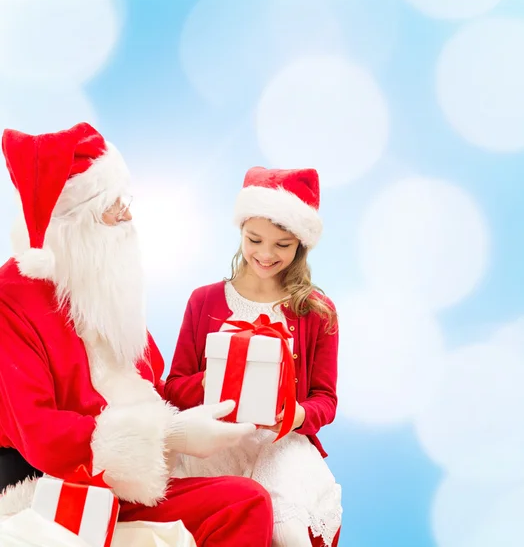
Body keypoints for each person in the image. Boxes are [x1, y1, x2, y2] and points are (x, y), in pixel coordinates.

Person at [0, 123, 274, 546]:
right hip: (57, 486)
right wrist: (169, 435)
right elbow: (41, 434)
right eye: (114, 206)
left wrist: (230, 381)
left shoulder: (101, 283)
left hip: (128, 481)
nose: (128, 216)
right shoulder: (12, 300)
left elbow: (152, 388)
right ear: (75, 223)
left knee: (250, 498)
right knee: (244, 502)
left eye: (125, 201)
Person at [165, 167, 343, 547]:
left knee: (285, 528)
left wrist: (296, 414)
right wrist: (224, 377)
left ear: (300, 245)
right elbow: (175, 387)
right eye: (254, 239)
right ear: (241, 231)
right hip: (215, 442)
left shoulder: (317, 311)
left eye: (282, 244)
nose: (265, 254)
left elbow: (325, 400)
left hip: (282, 444)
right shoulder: (204, 301)